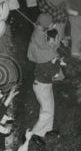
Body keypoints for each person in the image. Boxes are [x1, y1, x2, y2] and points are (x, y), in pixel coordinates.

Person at [25, 12, 61, 143]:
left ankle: (45, 131)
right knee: (47, 112)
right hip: (42, 85)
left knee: (49, 108)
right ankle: (34, 134)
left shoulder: (39, 32)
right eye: (49, 22)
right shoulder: (43, 54)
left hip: (43, 84)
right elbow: (53, 71)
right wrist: (57, 61)